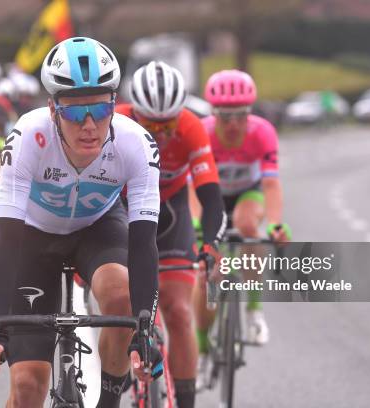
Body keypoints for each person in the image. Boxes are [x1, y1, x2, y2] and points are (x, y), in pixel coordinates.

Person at [0, 37, 163, 408]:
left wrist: (143, 327)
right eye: (74, 112)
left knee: (121, 295)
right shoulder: (27, 138)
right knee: (27, 387)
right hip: (32, 238)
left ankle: (109, 400)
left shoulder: (136, 144)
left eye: (100, 110)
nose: (89, 125)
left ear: (113, 105)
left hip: (98, 229)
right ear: (52, 109)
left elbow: (143, 243)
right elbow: (6, 241)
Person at [115, 61, 226, 408]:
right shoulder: (115, 124)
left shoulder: (192, 127)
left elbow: (211, 197)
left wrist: (210, 245)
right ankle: (114, 374)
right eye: (151, 125)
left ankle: (187, 401)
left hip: (170, 211)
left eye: (169, 124)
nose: (161, 134)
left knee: (178, 310)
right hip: (122, 208)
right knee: (118, 307)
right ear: (136, 114)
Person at [191, 69, 291, 358]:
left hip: (249, 194)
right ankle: (201, 344)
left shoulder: (262, 132)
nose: (233, 123)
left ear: (250, 112)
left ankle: (253, 311)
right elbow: (190, 188)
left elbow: (271, 184)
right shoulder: (203, 133)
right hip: (211, 198)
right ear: (213, 113)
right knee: (207, 275)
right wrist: (198, 226)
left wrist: (275, 226)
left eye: (241, 115)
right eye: (225, 116)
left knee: (248, 226)